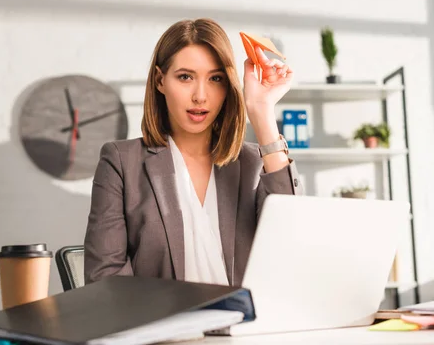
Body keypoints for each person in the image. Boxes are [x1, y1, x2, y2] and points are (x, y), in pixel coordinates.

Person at [84, 18, 303, 287]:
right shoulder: (121, 162)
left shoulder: (253, 163)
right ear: (160, 80)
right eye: (185, 77)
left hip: (248, 325)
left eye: (216, 79)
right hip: (162, 326)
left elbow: (292, 245)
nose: (200, 96)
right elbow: (106, 281)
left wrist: (261, 110)